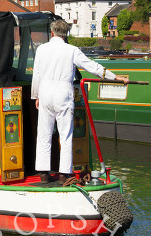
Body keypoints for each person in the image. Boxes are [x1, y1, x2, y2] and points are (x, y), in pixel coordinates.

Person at [31, 19, 129, 184]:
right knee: (66, 135)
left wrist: (36, 96)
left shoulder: (41, 49)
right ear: (66, 34)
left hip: (45, 93)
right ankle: (64, 174)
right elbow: (93, 67)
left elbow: (37, 75)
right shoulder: (72, 50)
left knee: (44, 134)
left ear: (52, 32)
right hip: (63, 94)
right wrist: (116, 78)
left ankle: (43, 174)